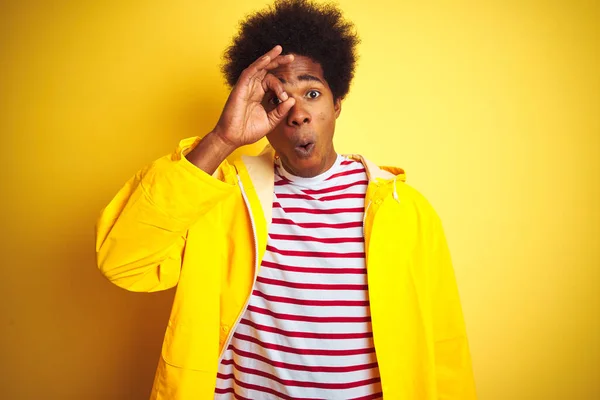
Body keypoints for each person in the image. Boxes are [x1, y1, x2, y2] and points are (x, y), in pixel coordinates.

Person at [95, 0, 477, 398]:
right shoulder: (219, 198)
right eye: (277, 99)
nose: (297, 113)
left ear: (337, 104)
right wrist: (222, 140)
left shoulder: (405, 212)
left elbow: (444, 351)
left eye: (312, 92)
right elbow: (122, 261)